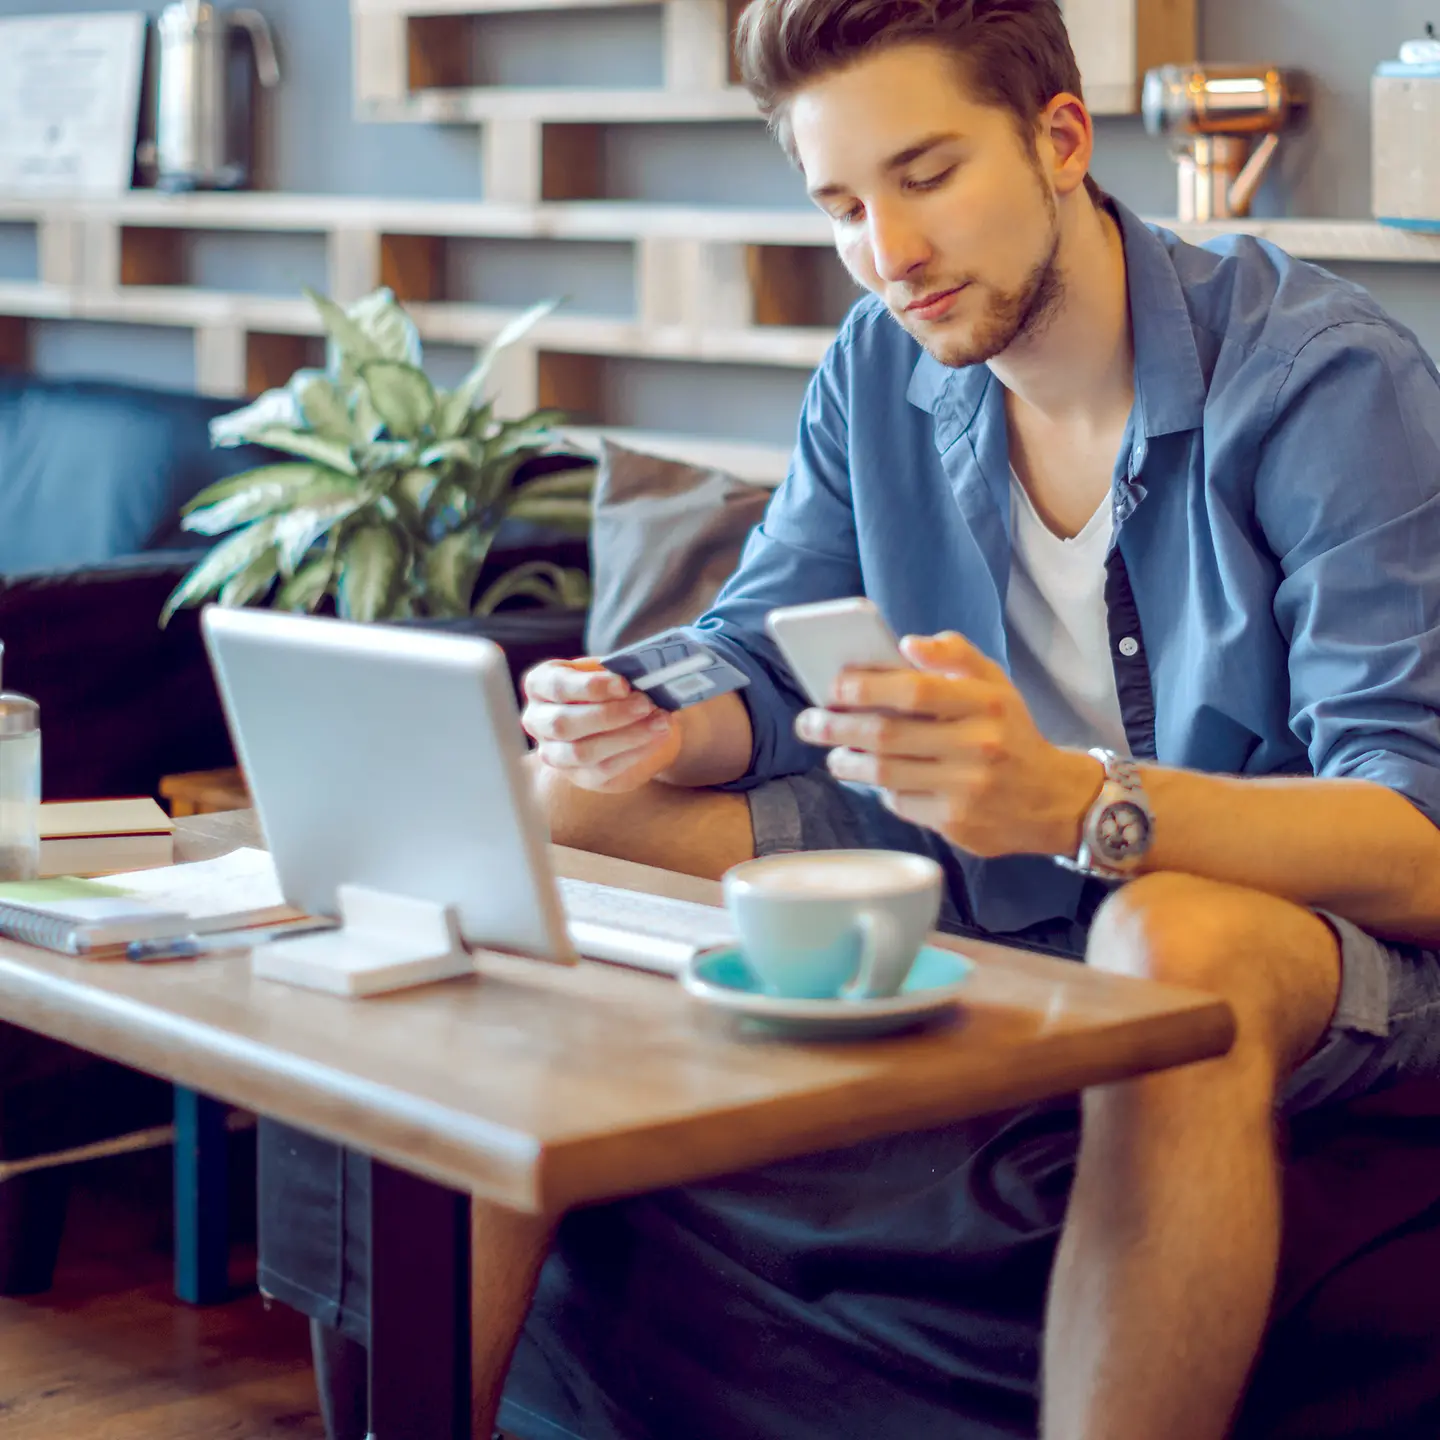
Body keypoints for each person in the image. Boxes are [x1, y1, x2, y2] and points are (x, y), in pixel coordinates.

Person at [509, 2, 1440, 1437]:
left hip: (1288, 913)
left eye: (927, 175)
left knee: (1166, 931)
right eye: (844, 205)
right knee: (563, 812)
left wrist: (1074, 804)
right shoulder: (882, 363)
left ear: (1061, 137)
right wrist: (640, 713)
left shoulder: (1324, 379)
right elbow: (758, 655)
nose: (889, 253)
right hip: (989, 873)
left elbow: (1416, 833)